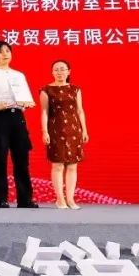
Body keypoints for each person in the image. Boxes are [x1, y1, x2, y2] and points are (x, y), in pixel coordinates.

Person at [0, 40, 38, 208]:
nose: (5, 54)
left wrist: (28, 103)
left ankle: (25, 199)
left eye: (8, 51)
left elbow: (26, 98)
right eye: (1, 51)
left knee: (22, 159)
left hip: (17, 117)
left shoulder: (19, 75)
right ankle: (1, 198)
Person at [40, 59, 88, 210]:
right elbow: (44, 112)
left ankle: (71, 199)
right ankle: (60, 199)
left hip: (74, 130)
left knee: (73, 165)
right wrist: (44, 131)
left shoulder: (75, 89)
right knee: (58, 165)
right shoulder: (46, 90)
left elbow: (80, 110)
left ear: (68, 72)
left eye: (62, 69)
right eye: (56, 69)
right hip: (56, 130)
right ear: (52, 72)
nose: (59, 72)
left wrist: (84, 130)